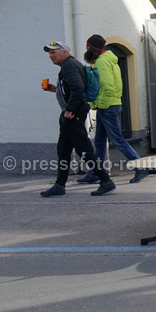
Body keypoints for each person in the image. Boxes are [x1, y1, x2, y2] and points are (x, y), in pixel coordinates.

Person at [39, 41, 116, 197]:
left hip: (73, 114)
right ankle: (59, 186)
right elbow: (71, 87)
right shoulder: (69, 66)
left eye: (53, 52)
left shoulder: (69, 66)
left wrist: (70, 109)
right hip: (70, 114)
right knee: (63, 149)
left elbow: (78, 88)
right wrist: (56, 89)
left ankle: (106, 181)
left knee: (84, 149)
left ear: (64, 52)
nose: (50, 56)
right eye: (49, 53)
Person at [76, 34, 148, 185]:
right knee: (99, 141)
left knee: (117, 140)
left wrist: (98, 104)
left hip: (107, 106)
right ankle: (96, 173)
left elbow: (107, 86)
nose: (86, 50)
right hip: (109, 105)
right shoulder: (109, 59)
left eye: (87, 47)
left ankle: (140, 166)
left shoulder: (102, 61)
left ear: (92, 48)